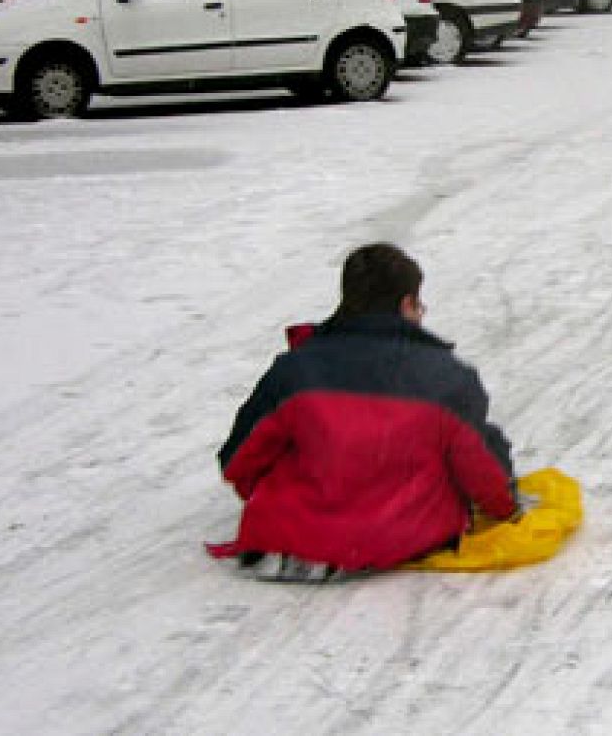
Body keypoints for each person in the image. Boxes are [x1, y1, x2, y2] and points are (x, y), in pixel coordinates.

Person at [209, 243, 517, 581]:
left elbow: (237, 460)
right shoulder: (447, 378)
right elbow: (484, 475)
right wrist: (507, 506)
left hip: (289, 538)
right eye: (419, 306)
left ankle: (309, 534)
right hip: (400, 538)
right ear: (407, 304)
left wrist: (289, 495)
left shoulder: (294, 371)